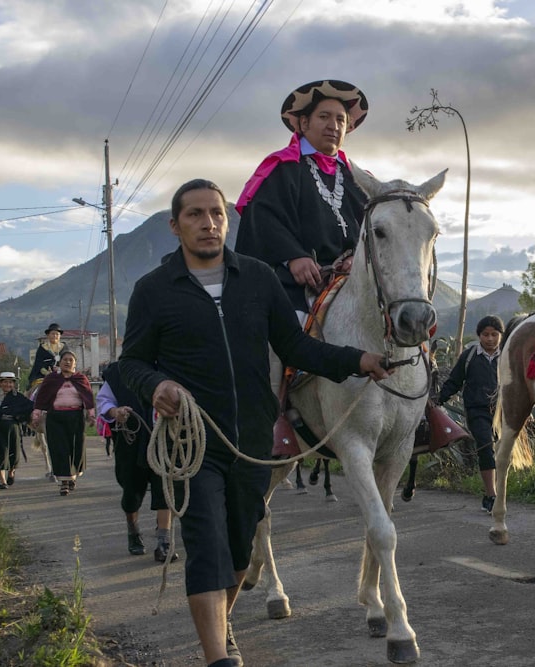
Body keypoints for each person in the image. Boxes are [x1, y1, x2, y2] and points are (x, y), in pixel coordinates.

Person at [118, 178, 391, 667]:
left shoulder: (259, 278)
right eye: (195, 215)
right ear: (175, 225)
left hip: (251, 439)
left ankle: (223, 627)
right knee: (207, 545)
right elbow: (130, 363)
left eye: (216, 214)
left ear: (227, 219)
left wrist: (359, 359)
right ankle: (217, 658)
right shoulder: (153, 291)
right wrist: (155, 386)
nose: (208, 223)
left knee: (241, 549)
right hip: (193, 441)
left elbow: (297, 348)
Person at [235, 78, 369, 320]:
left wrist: (358, 258)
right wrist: (293, 256)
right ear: (304, 123)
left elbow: (373, 227)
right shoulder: (282, 168)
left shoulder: (358, 179)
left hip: (354, 281)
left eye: (340, 119)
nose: (333, 126)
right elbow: (262, 219)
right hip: (294, 282)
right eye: (324, 117)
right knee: (291, 326)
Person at [97, 361, 177, 561]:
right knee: (131, 489)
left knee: (165, 488)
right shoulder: (118, 371)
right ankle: (133, 531)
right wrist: (116, 412)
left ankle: (163, 542)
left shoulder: (169, 365)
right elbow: (104, 401)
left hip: (163, 436)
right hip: (130, 439)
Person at [438, 316, 504, 513]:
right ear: (479, 336)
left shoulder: (508, 356)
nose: (490, 339)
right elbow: (454, 381)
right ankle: (491, 495)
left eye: (494, 334)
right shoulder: (469, 356)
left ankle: (500, 490)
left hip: (504, 412)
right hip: (477, 411)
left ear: (501, 335)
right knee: (485, 446)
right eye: (486, 334)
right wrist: (438, 399)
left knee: (502, 452)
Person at [30, 350, 95, 496]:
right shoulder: (51, 379)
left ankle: (72, 476)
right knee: (60, 449)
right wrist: (36, 416)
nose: (67, 362)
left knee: (75, 448)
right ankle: (64, 482)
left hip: (75, 417)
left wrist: (91, 416)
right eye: (65, 359)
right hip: (56, 417)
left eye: (71, 360)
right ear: (59, 363)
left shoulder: (81, 379)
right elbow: (41, 399)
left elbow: (89, 398)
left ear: (75, 363)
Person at [0, 372, 32, 489]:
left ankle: (11, 472)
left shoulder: (18, 397)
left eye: (10, 382)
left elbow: (29, 408)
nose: (8, 384)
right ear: (0, 383)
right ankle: (2, 481)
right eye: (5, 382)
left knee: (13, 453)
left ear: (14, 384)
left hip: (13, 427)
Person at [28, 322, 69, 389]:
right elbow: (38, 364)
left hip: (63, 374)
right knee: (35, 389)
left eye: (57, 334)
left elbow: (69, 362)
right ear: (48, 335)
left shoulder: (64, 347)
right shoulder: (42, 348)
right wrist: (47, 373)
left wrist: (60, 370)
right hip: (43, 376)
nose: (55, 336)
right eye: (53, 334)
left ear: (60, 336)